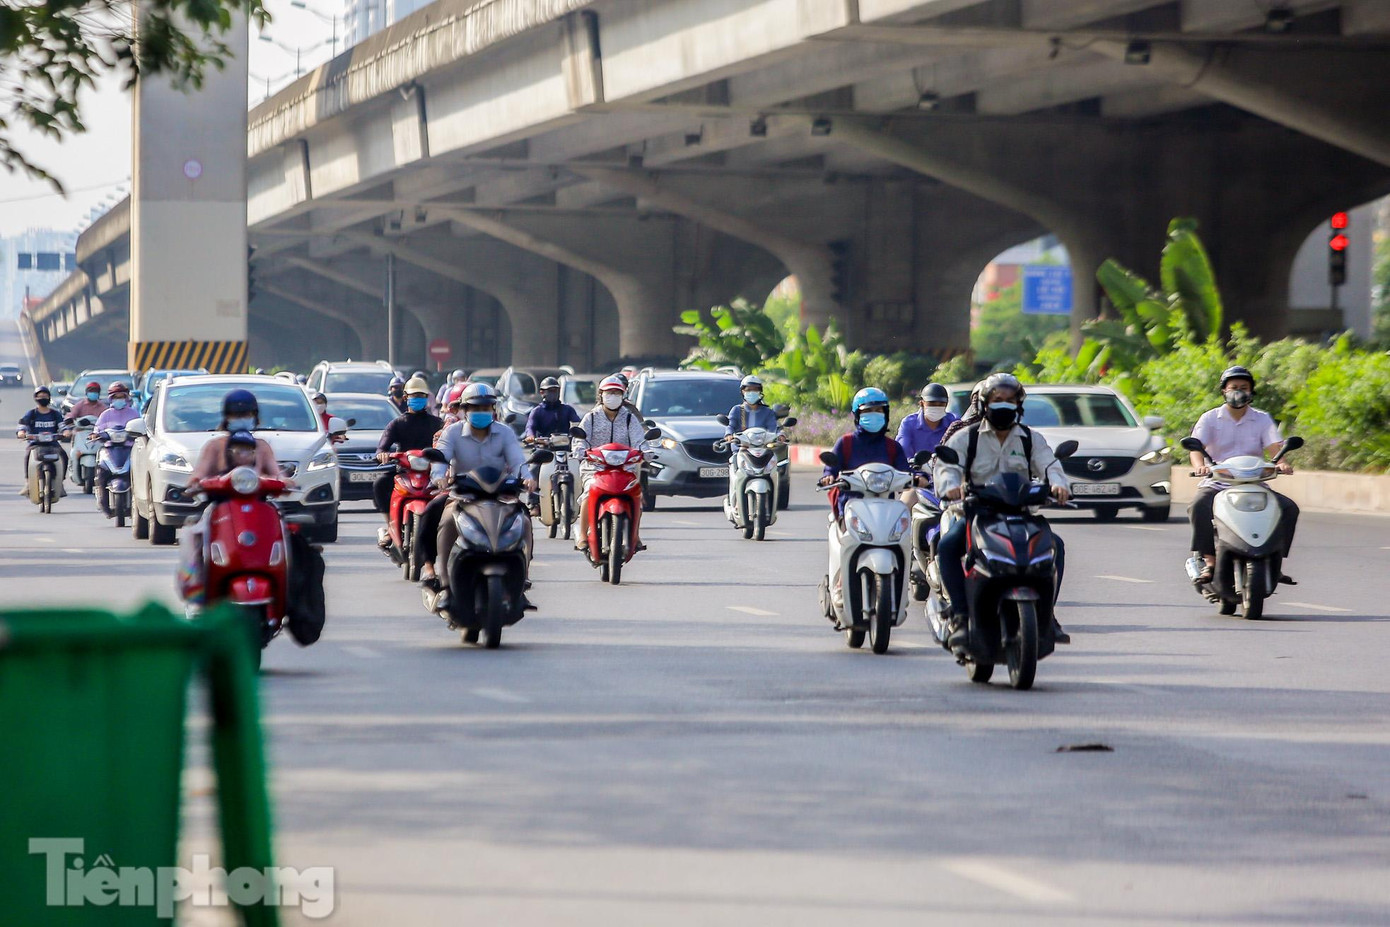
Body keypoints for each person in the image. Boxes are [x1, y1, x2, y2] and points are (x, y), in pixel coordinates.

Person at [933, 373, 1072, 649]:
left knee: (1055, 546)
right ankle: (960, 616)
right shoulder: (966, 437)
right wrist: (951, 487)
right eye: (998, 400)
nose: (1004, 405)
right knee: (947, 546)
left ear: (1019, 405)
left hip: (1020, 514)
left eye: (1010, 400)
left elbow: (1050, 466)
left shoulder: (1030, 439)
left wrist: (1058, 485)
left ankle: (1047, 616)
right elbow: (947, 467)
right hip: (977, 515)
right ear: (985, 404)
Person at [416, 383, 533, 595]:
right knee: (436, 513)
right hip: (463, 493)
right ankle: (436, 573)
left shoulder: (505, 433)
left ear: (493, 409)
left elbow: (517, 461)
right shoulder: (452, 432)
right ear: (465, 410)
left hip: (500, 493)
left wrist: (527, 478)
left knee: (524, 519)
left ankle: (523, 575)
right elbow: (441, 459)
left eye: (486, 408)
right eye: (476, 408)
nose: (482, 412)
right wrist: (439, 477)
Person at [1187, 365, 1299, 585]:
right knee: (1198, 506)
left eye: (1244, 387)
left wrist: (1282, 463)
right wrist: (1201, 466)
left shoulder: (1262, 419)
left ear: (1251, 392)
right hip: (1218, 482)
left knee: (1288, 508)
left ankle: (1275, 563)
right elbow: (1195, 448)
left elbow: (1275, 447)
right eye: (1233, 387)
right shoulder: (1210, 418)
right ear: (1224, 391)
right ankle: (1209, 561)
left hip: (1254, 483)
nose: (1238, 391)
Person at [573, 375, 651, 549]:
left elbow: (639, 440)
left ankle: (634, 535)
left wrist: (646, 451)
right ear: (601, 395)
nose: (613, 396)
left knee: (637, 497)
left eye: (617, 392)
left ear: (623, 396)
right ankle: (583, 536)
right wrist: (580, 450)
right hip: (595, 466)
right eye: (609, 392)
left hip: (625, 467)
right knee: (588, 495)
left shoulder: (630, 417)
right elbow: (581, 439)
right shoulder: (591, 417)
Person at [817, 387, 910, 517]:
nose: (874, 414)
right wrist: (828, 477)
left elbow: (905, 472)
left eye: (878, 410)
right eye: (867, 411)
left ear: (886, 413)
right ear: (857, 415)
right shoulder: (846, 443)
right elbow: (831, 469)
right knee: (844, 535)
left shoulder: (893, 447)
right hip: (851, 509)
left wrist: (917, 479)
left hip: (886, 511)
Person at [373, 376, 444, 518]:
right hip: (404, 471)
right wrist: (382, 455)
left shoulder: (437, 423)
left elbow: (447, 445)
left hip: (432, 472)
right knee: (380, 484)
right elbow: (382, 447)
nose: (418, 398)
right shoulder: (397, 424)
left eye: (422, 396)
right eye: (414, 396)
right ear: (406, 397)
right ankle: (389, 525)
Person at [187, 389, 284, 488]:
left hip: (255, 500)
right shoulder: (214, 445)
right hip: (223, 500)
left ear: (255, 417)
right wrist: (196, 481)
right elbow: (199, 473)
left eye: (246, 415)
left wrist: (284, 481)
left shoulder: (262, 446)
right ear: (227, 417)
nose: (241, 418)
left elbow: (277, 475)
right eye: (236, 415)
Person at [523, 376, 581, 511]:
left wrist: (579, 431)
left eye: (555, 390)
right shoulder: (537, 411)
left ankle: (582, 497)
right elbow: (530, 427)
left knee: (583, 466)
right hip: (544, 449)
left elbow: (578, 423)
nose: (553, 393)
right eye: (549, 390)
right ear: (542, 392)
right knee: (533, 469)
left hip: (566, 448)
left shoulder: (567, 409)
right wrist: (531, 437)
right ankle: (533, 502)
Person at [93, 383, 141, 515]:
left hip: (129, 449)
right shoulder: (105, 415)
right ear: (110, 398)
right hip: (109, 449)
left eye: (122, 396)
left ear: (126, 398)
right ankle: (101, 498)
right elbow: (97, 429)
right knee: (101, 471)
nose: (119, 400)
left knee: (138, 472)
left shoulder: (133, 413)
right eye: (116, 397)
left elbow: (140, 426)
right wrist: (96, 434)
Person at [17, 385, 71, 497]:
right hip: (35, 444)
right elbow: (22, 425)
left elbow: (63, 426)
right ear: (36, 398)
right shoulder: (31, 414)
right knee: (27, 456)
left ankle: (60, 483)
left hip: (53, 444)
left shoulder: (55, 414)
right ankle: (28, 483)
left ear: (49, 397)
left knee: (64, 456)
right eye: (40, 396)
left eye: (45, 395)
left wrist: (66, 432)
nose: (42, 398)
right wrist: (21, 432)